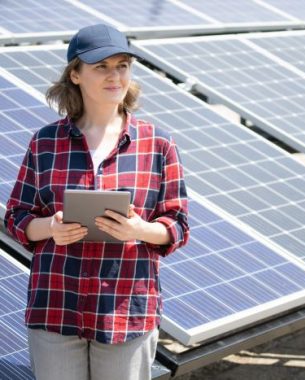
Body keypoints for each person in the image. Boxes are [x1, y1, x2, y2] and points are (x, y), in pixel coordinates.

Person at [4, 23, 189, 380]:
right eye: (101, 66)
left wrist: (140, 229)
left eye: (122, 65)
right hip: (57, 305)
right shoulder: (44, 143)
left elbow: (178, 225)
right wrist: (50, 228)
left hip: (126, 310)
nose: (114, 75)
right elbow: (16, 216)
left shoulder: (158, 144)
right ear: (75, 74)